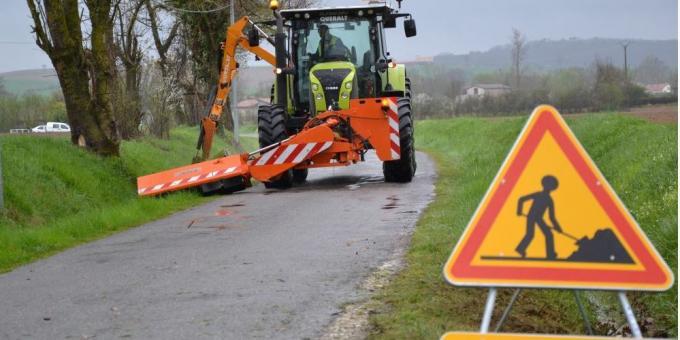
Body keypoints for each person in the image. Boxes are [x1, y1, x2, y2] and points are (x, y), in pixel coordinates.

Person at [515, 175, 563, 260]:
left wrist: (558, 227)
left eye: (551, 186)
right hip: (531, 217)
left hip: (539, 218)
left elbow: (551, 216)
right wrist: (519, 210)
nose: (549, 187)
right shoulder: (539, 195)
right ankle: (520, 249)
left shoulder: (549, 200)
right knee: (530, 234)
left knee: (549, 234)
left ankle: (550, 254)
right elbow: (521, 199)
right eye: (548, 185)